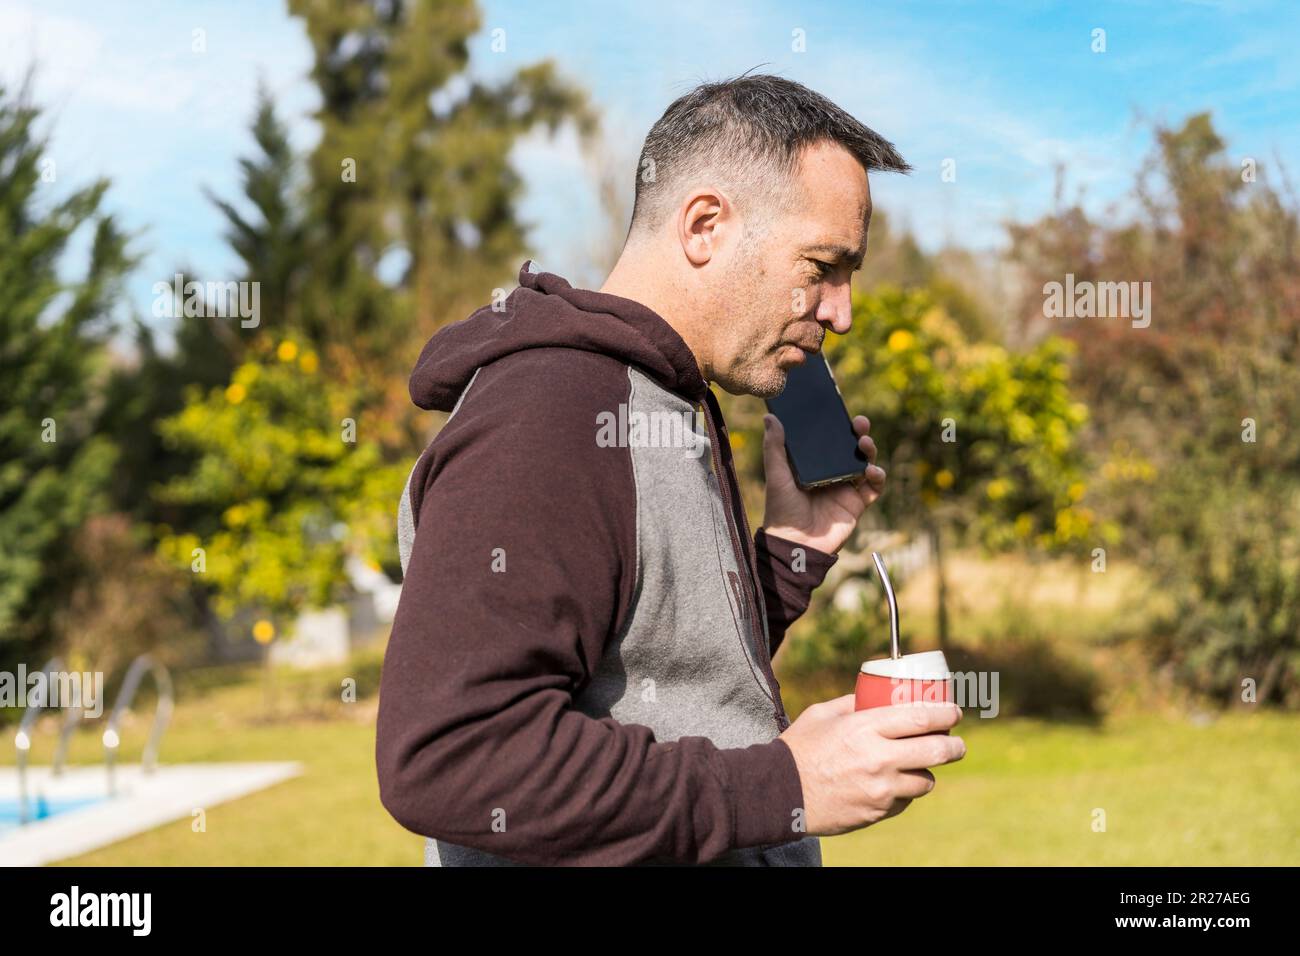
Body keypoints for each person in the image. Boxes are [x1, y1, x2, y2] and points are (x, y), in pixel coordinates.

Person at [375, 73, 966, 866]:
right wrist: (785, 787)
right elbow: (451, 755)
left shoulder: (667, 399)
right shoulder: (552, 411)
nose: (841, 312)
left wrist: (793, 549)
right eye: (824, 266)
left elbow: (667, 673)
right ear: (705, 225)